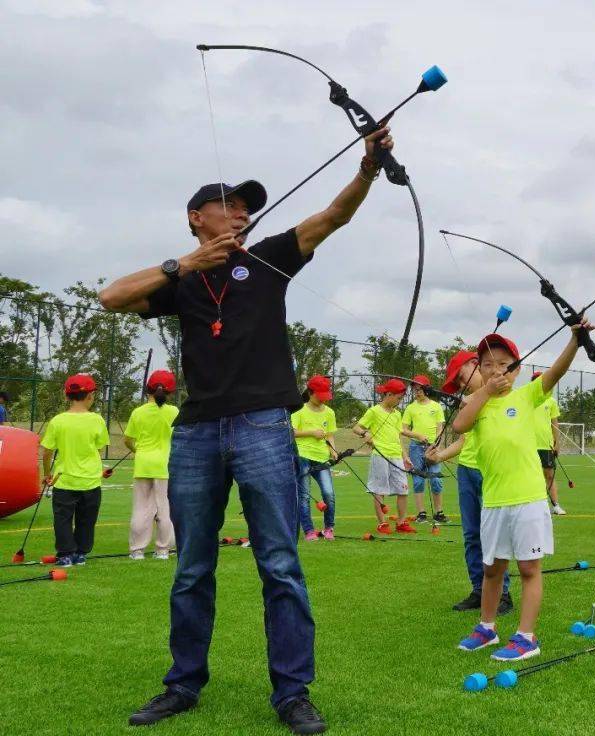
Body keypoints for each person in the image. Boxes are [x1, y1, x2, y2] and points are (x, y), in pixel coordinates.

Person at [100, 124, 394, 733]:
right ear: (195, 217)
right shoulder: (178, 280)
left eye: (246, 209)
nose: (241, 215)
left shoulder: (270, 259)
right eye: (228, 206)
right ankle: (182, 684)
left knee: (281, 563)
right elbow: (110, 297)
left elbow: (335, 214)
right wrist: (181, 264)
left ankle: (292, 693)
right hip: (197, 433)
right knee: (191, 567)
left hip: (264, 427)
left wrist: (367, 168)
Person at [455, 323, 591, 662]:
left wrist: (575, 341)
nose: (496, 369)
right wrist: (485, 391)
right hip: (495, 501)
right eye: (487, 364)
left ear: (516, 370)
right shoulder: (478, 401)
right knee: (492, 570)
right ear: (479, 369)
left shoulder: (527, 395)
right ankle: (486, 628)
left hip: (528, 499)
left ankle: (526, 637)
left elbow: (557, 371)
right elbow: (459, 425)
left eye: (504, 363)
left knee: (529, 569)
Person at [426, 351, 513, 615]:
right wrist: (439, 456)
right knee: (472, 535)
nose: (459, 385)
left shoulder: (501, 394)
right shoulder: (470, 403)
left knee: (494, 536)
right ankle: (480, 589)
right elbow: (463, 440)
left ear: (473, 366)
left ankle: (503, 594)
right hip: (467, 472)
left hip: (492, 473)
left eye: (459, 377)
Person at [40, 373, 109, 567]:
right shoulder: (97, 420)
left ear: (66, 395)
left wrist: (47, 474)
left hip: (65, 480)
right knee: (86, 520)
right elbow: (99, 448)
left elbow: (47, 453)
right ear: (89, 396)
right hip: (90, 480)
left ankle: (65, 555)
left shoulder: (58, 421)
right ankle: (80, 553)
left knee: (62, 519)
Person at [125, 369, 180, 560]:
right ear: (170, 392)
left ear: (148, 389)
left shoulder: (138, 412)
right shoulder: (174, 412)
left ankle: (137, 550)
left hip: (143, 464)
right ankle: (163, 550)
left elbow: (128, 440)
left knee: (141, 509)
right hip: (165, 465)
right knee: (165, 509)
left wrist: (136, 450)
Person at [353, 378, 416, 534]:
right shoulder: (374, 411)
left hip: (396, 456)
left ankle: (401, 523)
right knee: (379, 490)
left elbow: (398, 436)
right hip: (380, 455)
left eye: (401, 398)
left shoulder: (397, 414)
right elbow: (357, 427)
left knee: (403, 489)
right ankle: (382, 523)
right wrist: (365, 433)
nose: (399, 402)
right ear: (389, 394)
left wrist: (405, 456)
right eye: (398, 398)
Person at [291, 375, 338, 541]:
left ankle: (329, 528)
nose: (324, 399)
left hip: (322, 458)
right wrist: (311, 432)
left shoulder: (329, 412)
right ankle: (309, 531)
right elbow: (292, 431)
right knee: (304, 495)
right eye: (321, 395)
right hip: (302, 455)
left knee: (329, 494)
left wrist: (333, 449)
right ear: (311, 393)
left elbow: (330, 434)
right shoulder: (299, 410)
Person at [400, 374, 447, 523]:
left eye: (419, 389)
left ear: (426, 389)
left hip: (432, 448)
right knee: (418, 480)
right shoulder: (410, 408)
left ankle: (439, 512)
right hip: (416, 447)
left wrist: (437, 444)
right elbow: (403, 429)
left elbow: (441, 427)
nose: (417, 392)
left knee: (436, 480)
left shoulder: (436, 406)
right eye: (415, 389)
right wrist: (418, 435)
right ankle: (421, 513)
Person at [530, 371, 567, 515]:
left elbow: (554, 424)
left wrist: (557, 443)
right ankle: (533, 506)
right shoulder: (528, 399)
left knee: (550, 476)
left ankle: (555, 505)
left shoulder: (551, 401)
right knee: (531, 476)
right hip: (529, 445)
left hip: (546, 445)